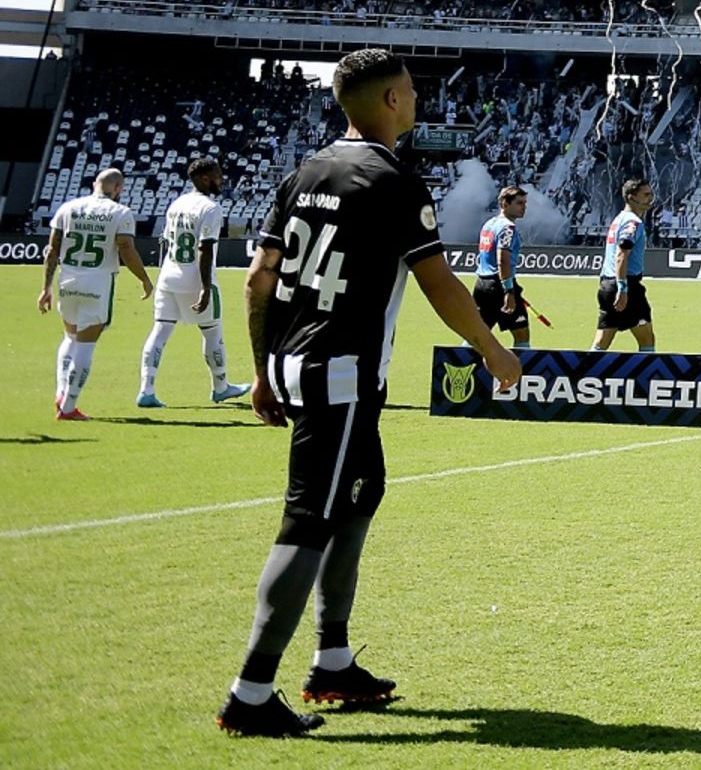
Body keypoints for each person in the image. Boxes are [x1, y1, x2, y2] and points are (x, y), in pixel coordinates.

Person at [215, 48, 525, 738]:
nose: (415, 101)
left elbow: (258, 279)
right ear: (389, 101)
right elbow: (439, 283)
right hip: (341, 376)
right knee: (308, 522)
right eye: (411, 91)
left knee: (362, 493)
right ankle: (251, 691)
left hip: (300, 366)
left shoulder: (304, 172)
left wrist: (264, 370)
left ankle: (332, 660)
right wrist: (495, 350)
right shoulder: (393, 181)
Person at [39, 164, 149, 420]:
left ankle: (61, 392)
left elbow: (52, 250)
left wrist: (46, 287)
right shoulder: (121, 212)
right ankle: (69, 408)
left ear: (93, 185)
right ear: (119, 188)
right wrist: (144, 278)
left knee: (69, 338)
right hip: (97, 283)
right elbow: (126, 249)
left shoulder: (68, 208)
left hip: (68, 281)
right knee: (85, 347)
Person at [140, 158, 251, 409]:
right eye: (217, 175)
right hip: (195, 277)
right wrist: (205, 287)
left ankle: (146, 390)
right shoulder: (210, 208)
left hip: (169, 275)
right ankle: (221, 387)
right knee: (212, 332)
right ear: (204, 178)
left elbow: (168, 243)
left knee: (159, 332)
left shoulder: (176, 204)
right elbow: (205, 248)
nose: (221, 179)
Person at [593, 179, 656, 351]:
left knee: (602, 341)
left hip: (607, 284)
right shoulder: (633, 223)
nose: (651, 198)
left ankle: (581, 374)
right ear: (631, 197)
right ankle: (648, 376)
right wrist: (623, 288)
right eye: (646, 194)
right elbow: (621, 255)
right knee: (647, 340)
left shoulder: (618, 219)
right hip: (626, 286)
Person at [471, 185, 534, 351]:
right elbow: (503, 260)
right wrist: (508, 291)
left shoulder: (489, 224)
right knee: (521, 334)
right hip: (498, 285)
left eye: (525, 203)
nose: (524, 207)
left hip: (482, 284)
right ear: (505, 204)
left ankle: (461, 367)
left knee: (479, 334)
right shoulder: (508, 228)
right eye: (519, 203)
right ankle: (519, 374)